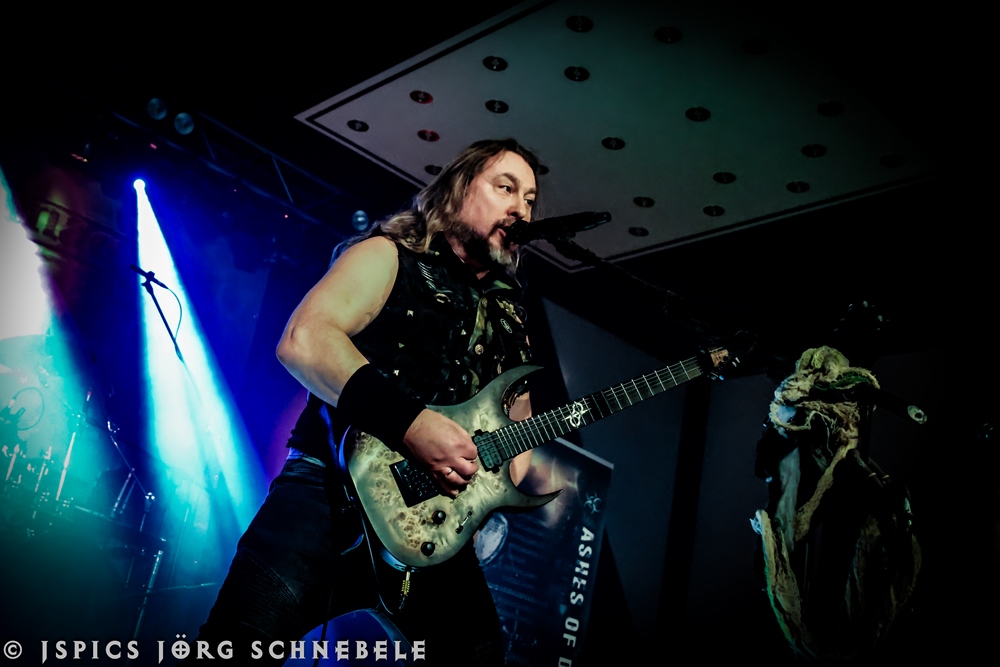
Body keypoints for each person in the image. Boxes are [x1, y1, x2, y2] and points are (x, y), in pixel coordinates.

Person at [188, 138, 540, 666]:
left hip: (435, 527)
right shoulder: (388, 255)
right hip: (328, 495)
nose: (521, 210)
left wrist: (490, 475)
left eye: (530, 200)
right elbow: (305, 339)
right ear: (458, 190)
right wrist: (412, 424)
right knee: (233, 650)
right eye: (505, 188)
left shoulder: (512, 319)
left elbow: (518, 448)